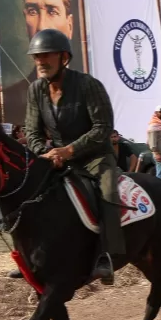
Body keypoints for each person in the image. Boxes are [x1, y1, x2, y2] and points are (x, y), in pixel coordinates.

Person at [23, 28, 124, 284]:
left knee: (108, 192)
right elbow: (32, 132)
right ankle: (30, 257)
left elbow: (103, 128)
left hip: (95, 158)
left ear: (64, 57)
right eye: (37, 56)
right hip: (55, 159)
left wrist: (69, 151)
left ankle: (106, 255)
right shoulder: (35, 90)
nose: (40, 61)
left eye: (46, 55)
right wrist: (45, 153)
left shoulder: (88, 85)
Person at [4, 0, 77, 124]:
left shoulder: (86, 89)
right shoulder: (9, 100)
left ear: (69, 25)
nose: (41, 26)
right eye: (32, 11)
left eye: (52, 11)